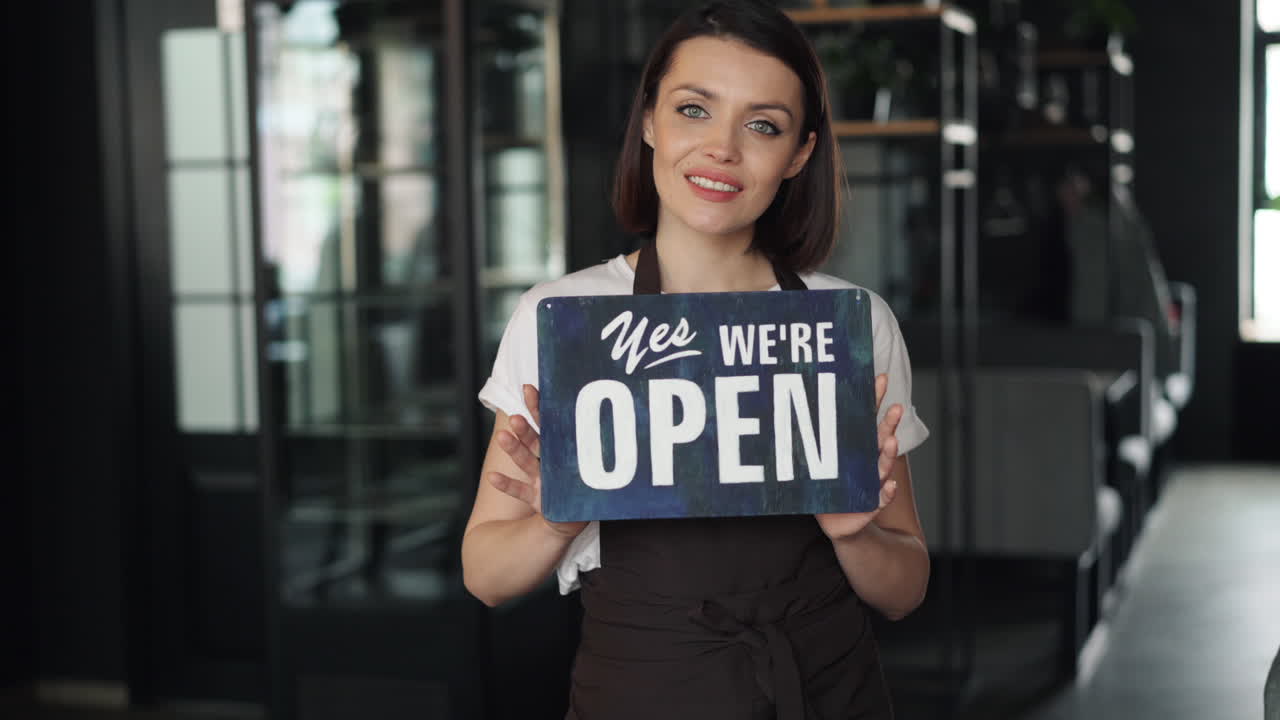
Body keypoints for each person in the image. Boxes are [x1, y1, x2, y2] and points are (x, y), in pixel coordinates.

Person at [462, 2, 931, 717]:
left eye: (762, 125)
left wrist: (855, 534)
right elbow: (485, 576)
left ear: (800, 153)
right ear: (649, 120)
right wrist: (557, 522)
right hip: (642, 689)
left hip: (827, 690)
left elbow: (906, 588)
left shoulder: (850, 325)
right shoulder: (566, 319)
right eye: (693, 110)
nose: (722, 149)